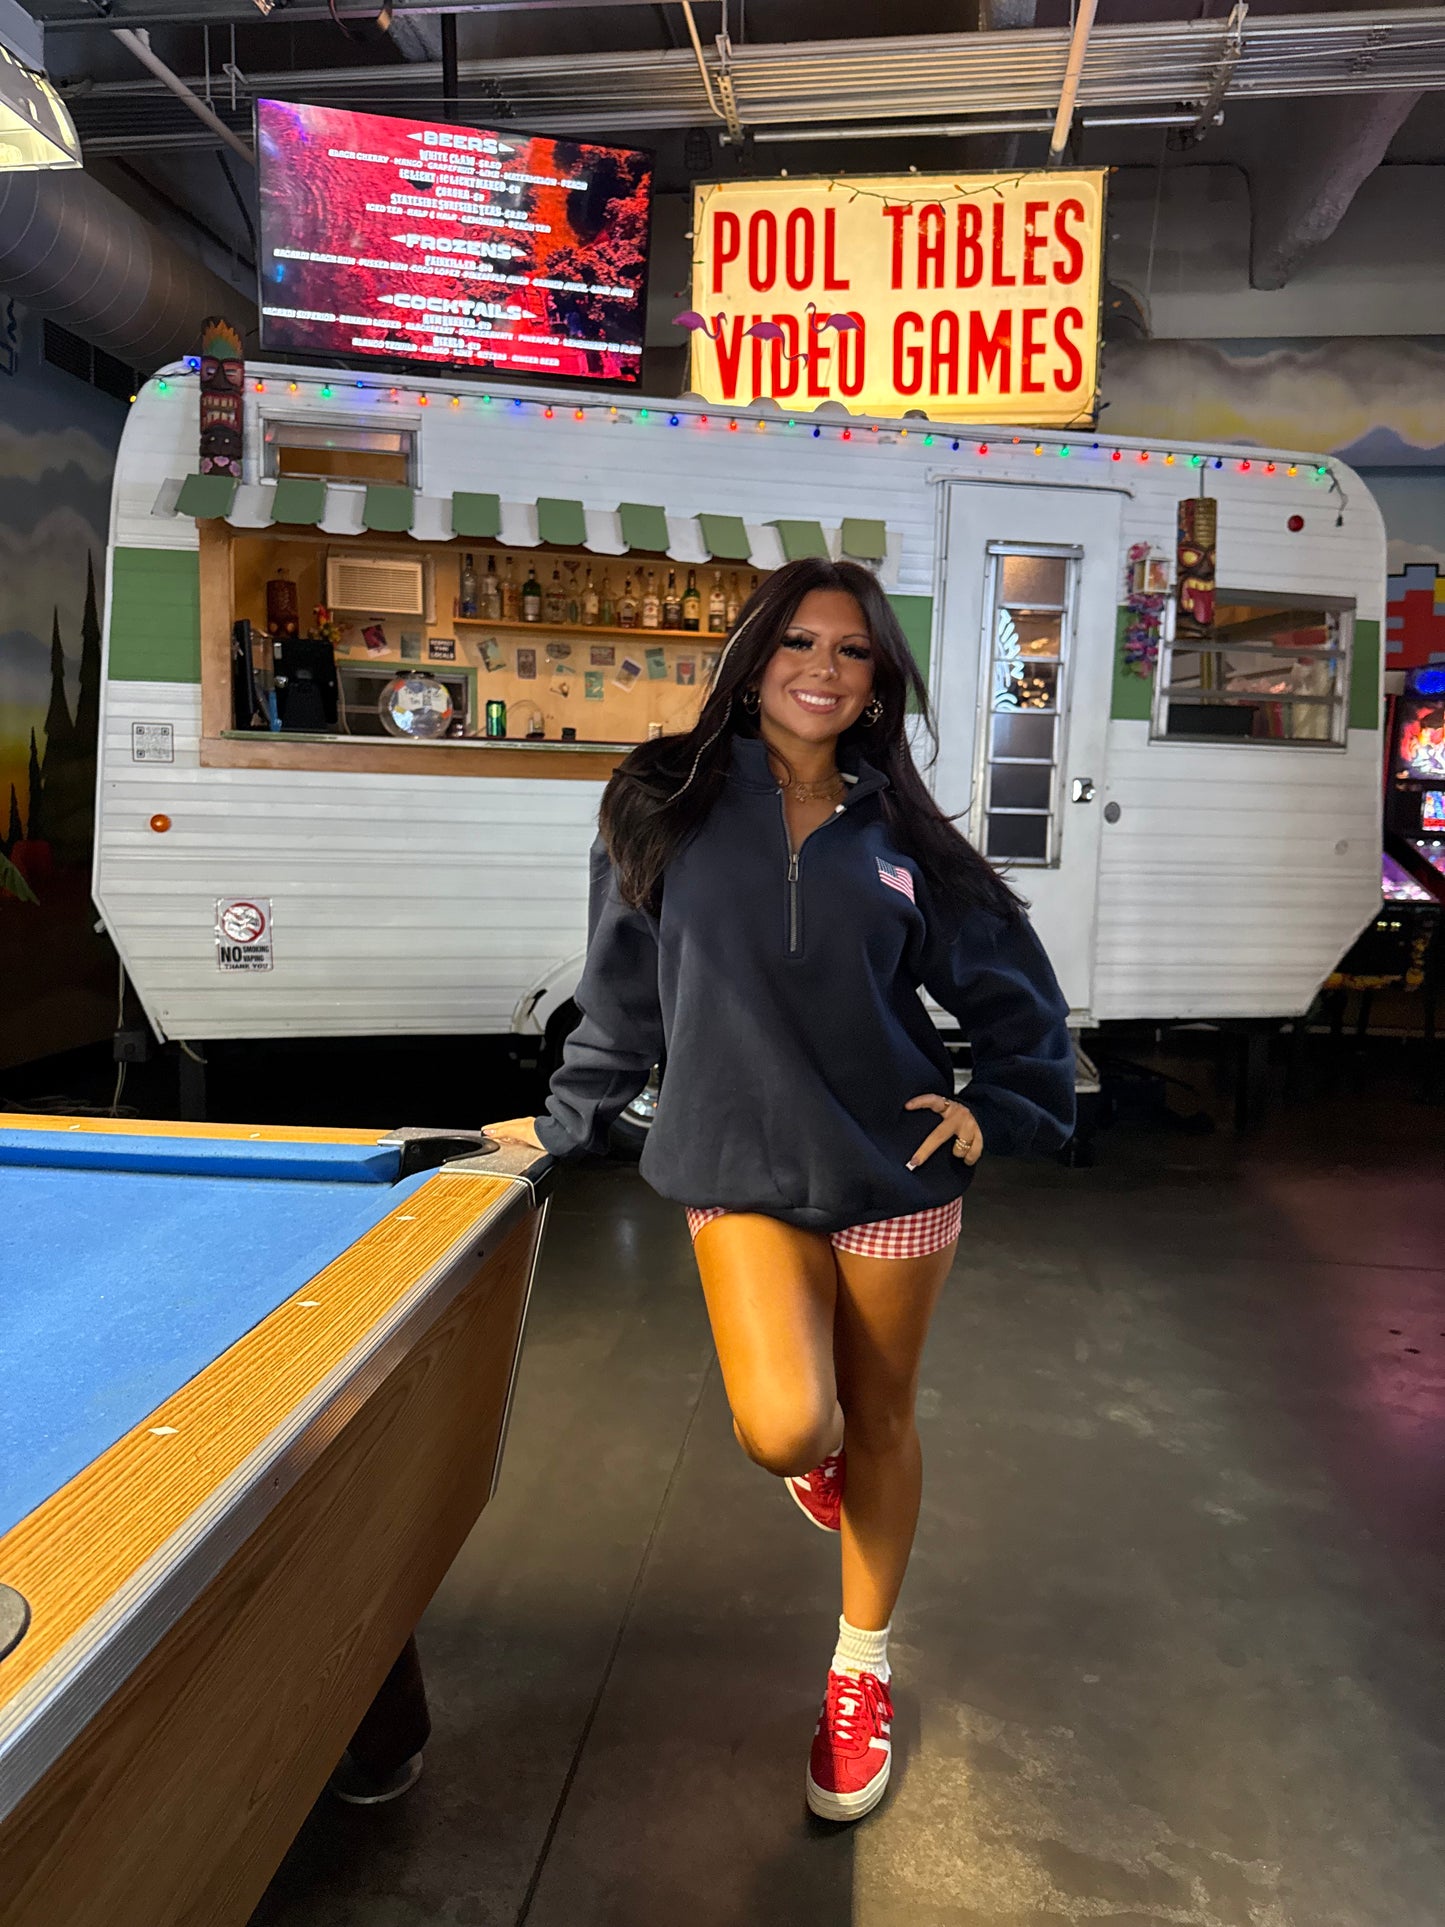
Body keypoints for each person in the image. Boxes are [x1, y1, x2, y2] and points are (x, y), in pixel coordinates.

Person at [486, 557, 1074, 1823]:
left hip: (892, 1169)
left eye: (851, 650)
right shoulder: (663, 798)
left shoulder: (905, 834)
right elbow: (620, 994)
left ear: (877, 684)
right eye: (798, 641)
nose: (822, 667)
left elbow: (1014, 991)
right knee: (789, 1428)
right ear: (751, 660)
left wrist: (999, 1102)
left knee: (884, 1417)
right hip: (734, 1157)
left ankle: (859, 1670)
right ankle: (821, 1461)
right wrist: (559, 1126)